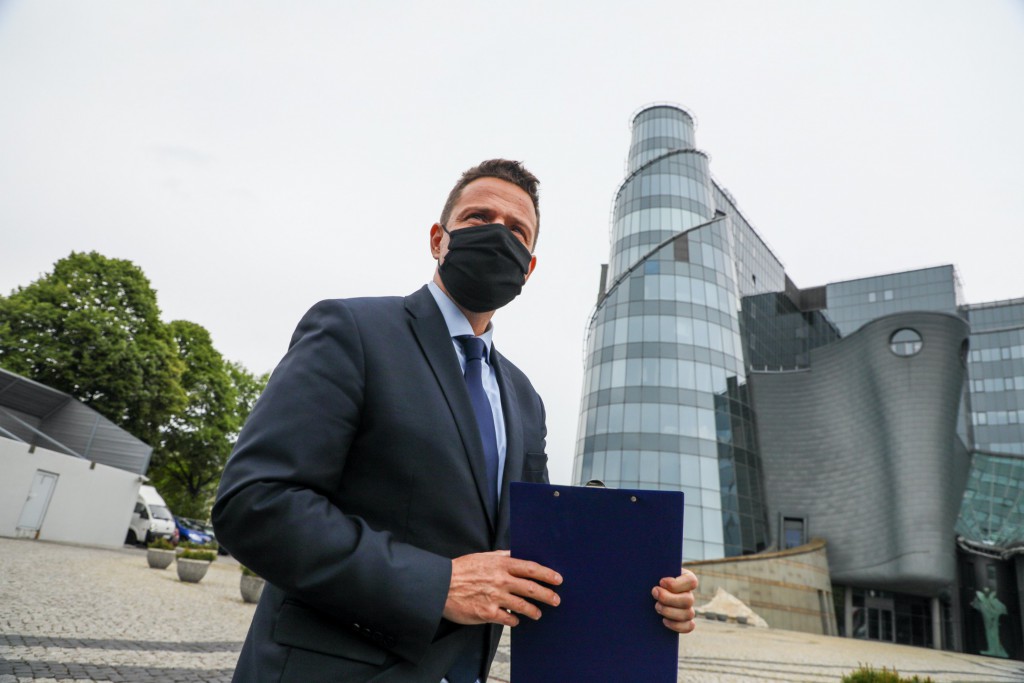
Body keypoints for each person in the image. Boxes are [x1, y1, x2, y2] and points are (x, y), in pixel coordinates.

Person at [212, 159, 699, 682]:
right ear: (437, 239)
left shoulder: (524, 399)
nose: (498, 234)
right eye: (478, 217)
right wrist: (436, 583)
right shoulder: (352, 330)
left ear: (529, 267)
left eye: (517, 230)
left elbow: (540, 552)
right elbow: (256, 503)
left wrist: (645, 593)